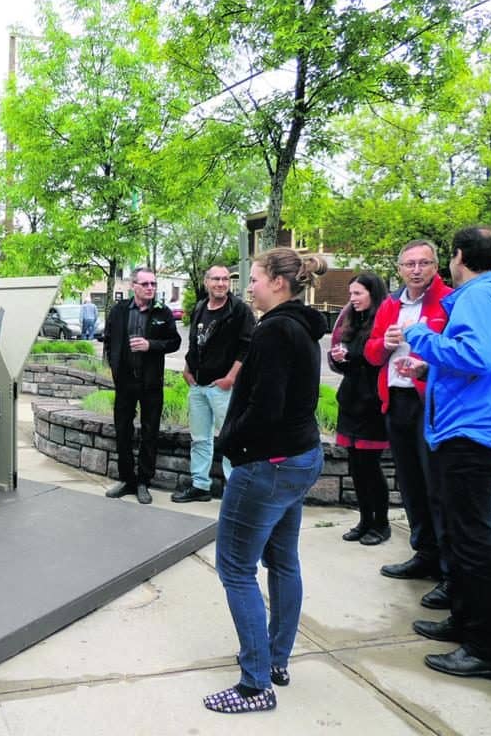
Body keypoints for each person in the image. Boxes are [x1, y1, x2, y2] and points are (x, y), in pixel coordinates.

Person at [204, 247, 327, 714]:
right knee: (283, 560)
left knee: (235, 568)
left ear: (278, 281)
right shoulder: (301, 326)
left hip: (269, 464)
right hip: (298, 459)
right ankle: (275, 659)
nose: (246, 286)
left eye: (253, 277)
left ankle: (255, 684)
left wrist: (229, 443)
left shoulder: (276, 331)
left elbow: (266, 407)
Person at [397, 227, 491, 682]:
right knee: (458, 531)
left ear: (459, 256)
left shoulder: (479, 294)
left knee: (470, 540)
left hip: (472, 431)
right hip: (472, 425)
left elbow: (476, 355)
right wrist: (430, 366)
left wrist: (420, 337)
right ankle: (464, 623)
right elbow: (482, 360)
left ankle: (485, 647)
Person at [363, 239, 452, 610]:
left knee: (436, 487)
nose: (416, 270)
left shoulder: (448, 301)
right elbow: (370, 354)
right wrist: (384, 343)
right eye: (409, 264)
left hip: (429, 402)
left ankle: (449, 571)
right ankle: (424, 553)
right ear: (399, 269)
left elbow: (454, 352)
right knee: (411, 482)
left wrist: (425, 366)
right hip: (395, 399)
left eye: (424, 263)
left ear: (436, 266)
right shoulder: (391, 304)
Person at [174, 265, 254, 503]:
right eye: (216, 279)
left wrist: (231, 378)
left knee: (230, 438)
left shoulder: (239, 310)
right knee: (200, 439)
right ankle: (200, 485)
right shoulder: (200, 307)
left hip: (223, 387)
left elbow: (247, 346)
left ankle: (235, 490)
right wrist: (187, 369)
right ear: (207, 282)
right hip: (198, 386)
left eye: (225, 279)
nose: (221, 283)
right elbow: (194, 343)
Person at [102, 267, 180, 505]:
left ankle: (144, 481)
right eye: (145, 284)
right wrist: (113, 366)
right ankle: (127, 480)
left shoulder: (162, 312)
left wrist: (150, 345)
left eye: (153, 284)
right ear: (133, 286)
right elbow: (109, 338)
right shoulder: (119, 311)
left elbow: (175, 342)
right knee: (123, 430)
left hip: (150, 383)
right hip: (125, 382)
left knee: (149, 432)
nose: (150, 288)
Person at [329, 273, 391, 545]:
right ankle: (365, 520)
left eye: (357, 294)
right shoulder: (353, 320)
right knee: (355, 466)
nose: (352, 299)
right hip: (352, 400)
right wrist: (340, 358)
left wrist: (352, 356)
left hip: (373, 404)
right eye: (351, 294)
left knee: (371, 467)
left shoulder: (384, 320)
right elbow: (350, 362)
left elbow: (376, 359)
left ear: (372, 293)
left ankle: (381, 523)